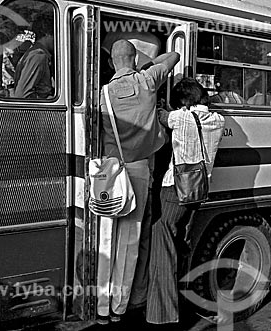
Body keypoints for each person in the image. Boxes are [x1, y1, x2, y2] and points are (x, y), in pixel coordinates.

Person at [96, 39, 180, 325]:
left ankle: (102, 307)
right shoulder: (148, 80)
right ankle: (120, 307)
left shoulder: (102, 94)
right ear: (132, 59)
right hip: (139, 170)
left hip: (109, 171)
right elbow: (175, 55)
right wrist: (144, 64)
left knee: (106, 238)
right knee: (131, 239)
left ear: (111, 63)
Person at [146, 77, 225, 327]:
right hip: (199, 191)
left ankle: (164, 314)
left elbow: (159, 115)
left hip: (175, 191)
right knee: (182, 244)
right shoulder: (218, 121)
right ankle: (184, 301)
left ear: (183, 102)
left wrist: (162, 105)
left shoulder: (179, 118)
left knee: (163, 245)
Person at [13, 15, 54, 99]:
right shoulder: (38, 56)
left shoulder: (38, 54)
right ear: (47, 34)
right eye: (54, 36)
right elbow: (22, 95)